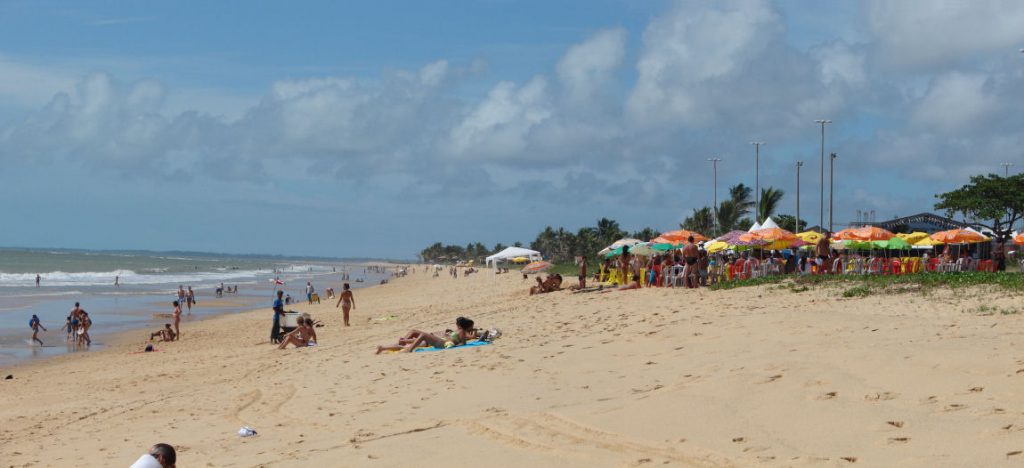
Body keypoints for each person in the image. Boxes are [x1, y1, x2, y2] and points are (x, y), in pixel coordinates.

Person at [376, 317, 477, 353]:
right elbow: (463, 342)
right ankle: (383, 348)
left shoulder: (462, 331)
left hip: (443, 343)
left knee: (423, 335)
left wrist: (453, 343)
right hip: (442, 341)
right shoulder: (460, 330)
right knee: (416, 336)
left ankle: (409, 349)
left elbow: (463, 344)